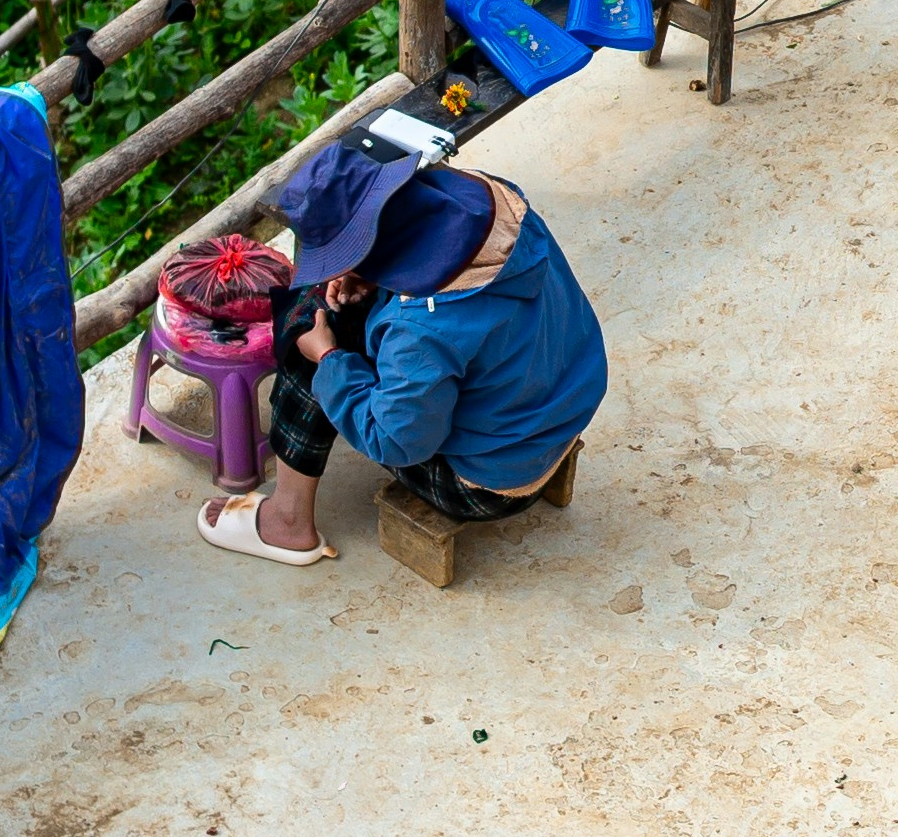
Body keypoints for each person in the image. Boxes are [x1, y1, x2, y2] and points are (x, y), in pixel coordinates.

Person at [191, 135, 606, 565]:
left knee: (308, 340)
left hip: (491, 484)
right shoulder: (493, 198)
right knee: (341, 318)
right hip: (563, 404)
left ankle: (288, 521)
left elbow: (396, 442)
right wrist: (373, 273)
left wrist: (329, 359)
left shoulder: (422, 331)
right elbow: (453, 282)